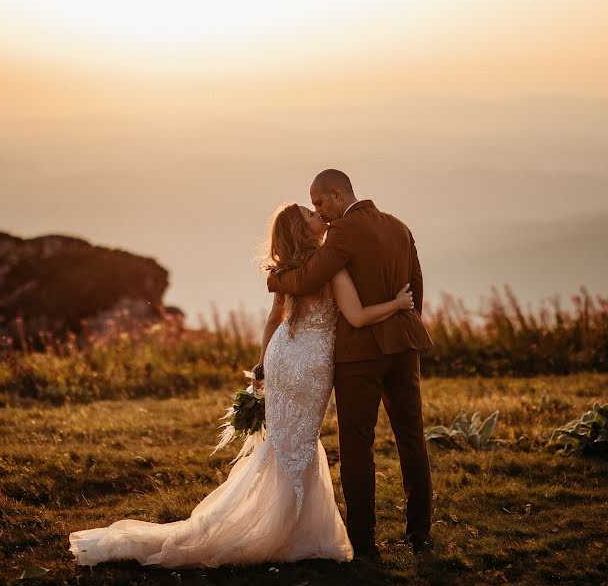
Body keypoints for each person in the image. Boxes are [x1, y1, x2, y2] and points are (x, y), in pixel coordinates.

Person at [68, 202, 415, 568]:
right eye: (311, 215)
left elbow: (272, 320)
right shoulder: (329, 268)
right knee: (298, 444)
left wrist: (263, 364)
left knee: (284, 444)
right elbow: (358, 317)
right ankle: (284, 530)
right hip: (311, 363)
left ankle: (285, 524)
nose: (320, 216)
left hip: (283, 355)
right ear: (302, 229)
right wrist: (397, 303)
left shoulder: (287, 271)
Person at [267, 169, 434, 558]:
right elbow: (416, 286)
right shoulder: (399, 227)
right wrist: (404, 328)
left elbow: (310, 277)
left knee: (358, 445)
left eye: (320, 203)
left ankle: (363, 540)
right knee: (412, 438)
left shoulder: (344, 232)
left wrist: (278, 281)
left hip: (359, 354)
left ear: (337, 194)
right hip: (403, 348)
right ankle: (420, 534)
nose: (318, 212)